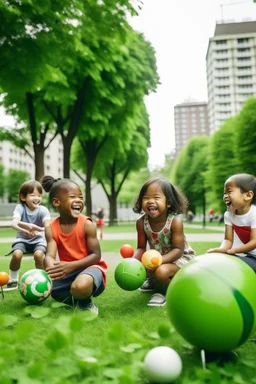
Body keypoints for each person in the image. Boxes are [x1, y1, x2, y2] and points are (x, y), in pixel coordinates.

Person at [41, 176, 108, 314]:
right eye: (72, 197)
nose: (78, 200)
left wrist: (71, 266)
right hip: (68, 272)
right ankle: (77, 297)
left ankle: (85, 301)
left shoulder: (87, 224)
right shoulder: (51, 229)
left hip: (90, 268)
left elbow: (96, 256)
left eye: (81, 197)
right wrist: (50, 265)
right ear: (56, 202)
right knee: (53, 292)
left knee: (80, 287)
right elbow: (49, 255)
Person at [133, 177, 195, 307]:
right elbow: (141, 248)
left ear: (169, 203)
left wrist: (159, 261)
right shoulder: (141, 222)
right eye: (146, 198)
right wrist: (133, 262)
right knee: (150, 269)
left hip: (180, 258)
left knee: (161, 272)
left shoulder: (175, 222)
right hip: (157, 259)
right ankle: (154, 279)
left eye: (156, 197)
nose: (150, 201)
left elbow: (178, 250)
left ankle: (162, 292)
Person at [5, 180, 51, 290]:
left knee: (39, 255)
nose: (37, 198)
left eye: (39, 195)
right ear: (23, 197)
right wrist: (26, 229)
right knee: (17, 254)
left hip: (39, 240)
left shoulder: (43, 210)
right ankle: (13, 279)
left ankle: (43, 279)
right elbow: (14, 224)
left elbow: (47, 227)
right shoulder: (20, 208)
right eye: (33, 195)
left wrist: (38, 229)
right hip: (22, 239)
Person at [207, 173, 256, 272]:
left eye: (229, 192)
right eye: (224, 193)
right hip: (244, 255)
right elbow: (228, 240)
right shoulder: (228, 215)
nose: (225, 196)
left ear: (248, 195)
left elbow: (254, 242)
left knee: (238, 267)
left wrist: (234, 250)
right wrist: (222, 250)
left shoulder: (253, 214)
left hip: (254, 256)